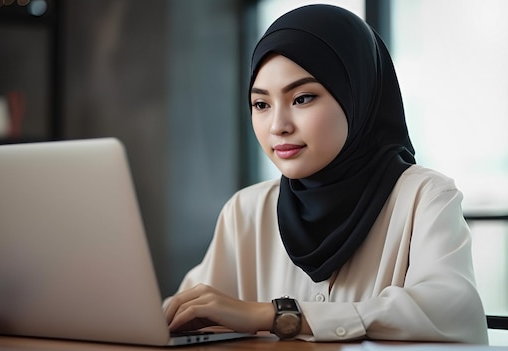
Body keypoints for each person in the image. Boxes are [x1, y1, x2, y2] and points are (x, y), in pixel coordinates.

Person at [163, 4, 489, 344]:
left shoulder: (424, 197)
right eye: (261, 104)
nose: (278, 126)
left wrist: (275, 315)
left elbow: (451, 310)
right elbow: (188, 310)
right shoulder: (246, 210)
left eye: (302, 98)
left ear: (356, 96)